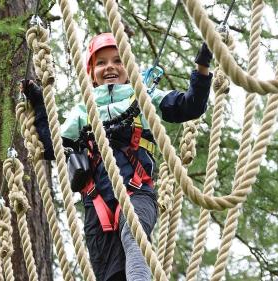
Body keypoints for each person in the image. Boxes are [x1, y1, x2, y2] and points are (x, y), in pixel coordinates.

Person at [22, 33, 213, 281]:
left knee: (134, 237)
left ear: (129, 67)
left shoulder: (145, 98)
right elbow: (51, 147)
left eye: (117, 60)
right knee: (107, 274)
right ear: (91, 73)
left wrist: (202, 68)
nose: (109, 67)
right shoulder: (83, 111)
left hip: (137, 192)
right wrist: (39, 104)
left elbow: (190, 106)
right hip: (97, 204)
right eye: (101, 63)